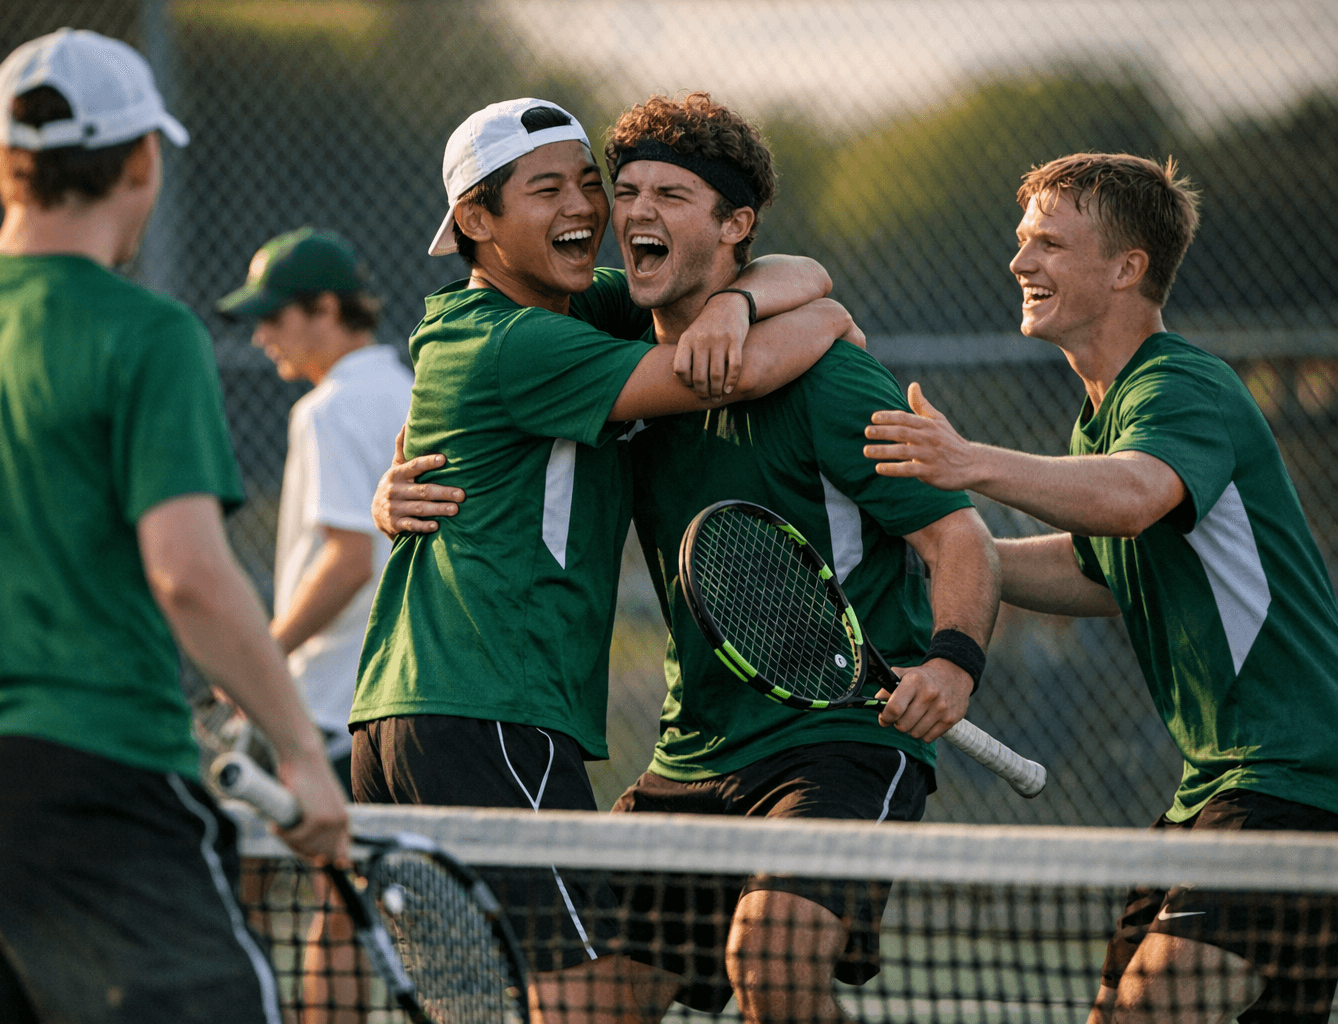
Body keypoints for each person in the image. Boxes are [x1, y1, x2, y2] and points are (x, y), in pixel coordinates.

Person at [0, 29, 347, 1024]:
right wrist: (301, 751)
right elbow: (186, 572)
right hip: (91, 766)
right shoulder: (148, 334)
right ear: (144, 159)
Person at [352, 96, 859, 1024]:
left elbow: (790, 268)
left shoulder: (567, 306)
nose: (585, 207)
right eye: (546, 189)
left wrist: (745, 299)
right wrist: (825, 326)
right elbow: (738, 370)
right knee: (585, 1005)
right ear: (476, 222)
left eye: (592, 183)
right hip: (487, 706)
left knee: (589, 997)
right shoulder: (525, 340)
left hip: (417, 711)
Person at [862, 152, 1338, 1023]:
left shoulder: (1180, 386)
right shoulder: (1104, 416)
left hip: (1300, 774)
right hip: (1221, 782)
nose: (1020, 263)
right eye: (1021, 241)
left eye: (1048, 242)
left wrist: (968, 464)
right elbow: (1097, 569)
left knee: (1154, 1004)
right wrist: (958, 557)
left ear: (1127, 269)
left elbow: (1132, 498)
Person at [597, 93, 999, 1024]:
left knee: (772, 960)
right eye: (626, 191)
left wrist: (953, 660)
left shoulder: (829, 379)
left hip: (840, 738)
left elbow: (958, 537)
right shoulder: (613, 355)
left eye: (672, 193)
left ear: (736, 225)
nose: (637, 211)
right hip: (693, 748)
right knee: (586, 999)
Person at [217, 227, 411, 1024]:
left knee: (241, 893)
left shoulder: (327, 410)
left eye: (275, 316)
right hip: (385, 698)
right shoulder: (407, 386)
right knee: (346, 910)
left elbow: (346, 562)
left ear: (326, 309)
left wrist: (256, 661)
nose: (261, 335)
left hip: (321, 701)